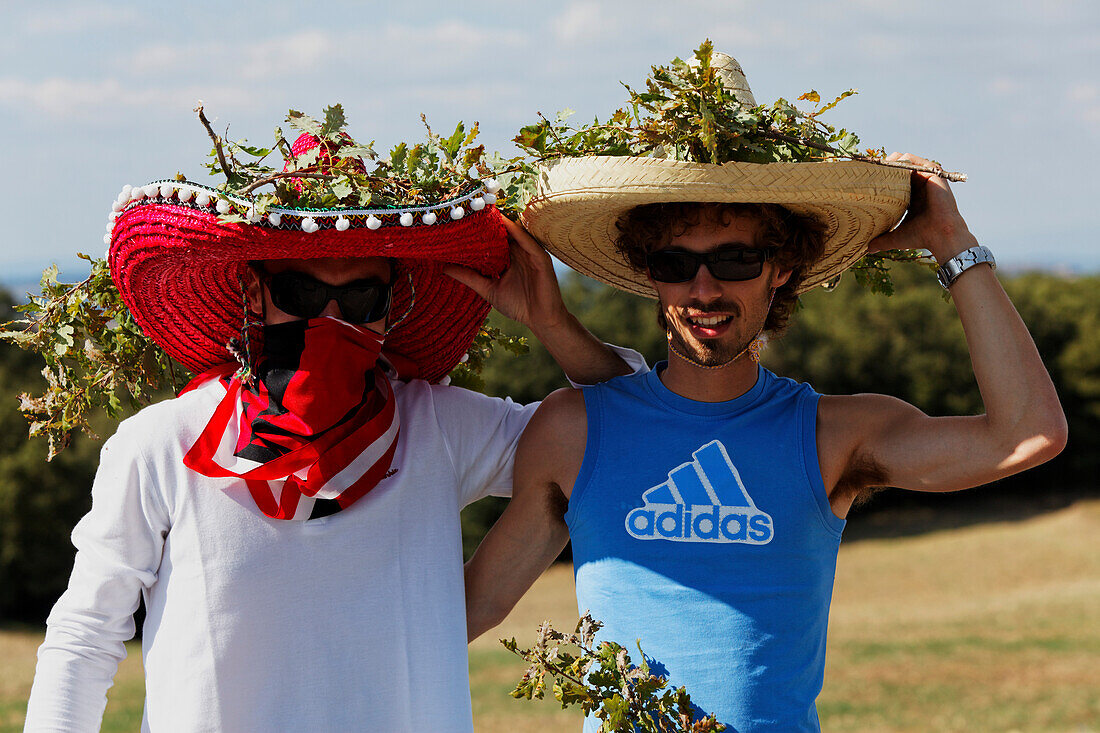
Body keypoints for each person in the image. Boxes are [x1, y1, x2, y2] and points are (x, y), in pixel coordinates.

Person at [464, 59, 1067, 732]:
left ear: (781, 270)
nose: (703, 289)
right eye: (675, 264)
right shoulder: (571, 431)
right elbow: (468, 607)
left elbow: (1029, 433)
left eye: (734, 260)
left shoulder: (836, 436)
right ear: (650, 275)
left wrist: (951, 243)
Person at [24, 132, 641, 732]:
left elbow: (622, 430)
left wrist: (552, 323)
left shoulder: (439, 427)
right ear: (252, 291)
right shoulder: (161, 445)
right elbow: (85, 635)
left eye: (361, 296)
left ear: (391, 304)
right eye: (301, 290)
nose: (330, 318)